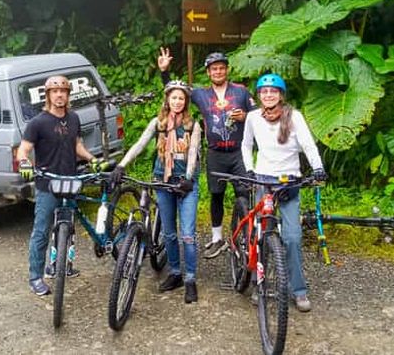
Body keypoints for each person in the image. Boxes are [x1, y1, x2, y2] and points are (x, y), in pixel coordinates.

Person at [109, 80, 202, 303]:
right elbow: (140, 144)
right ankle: (176, 273)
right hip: (162, 181)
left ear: (186, 101)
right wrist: (122, 164)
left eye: (181, 98)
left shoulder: (193, 125)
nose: (177, 102)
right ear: (167, 99)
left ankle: (190, 279)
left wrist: (188, 179)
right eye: (174, 97)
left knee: (187, 236)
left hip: (185, 184)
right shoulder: (158, 123)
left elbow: (193, 154)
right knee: (169, 233)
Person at [157, 48, 255, 259]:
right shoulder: (201, 94)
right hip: (215, 152)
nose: (218, 72)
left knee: (244, 193)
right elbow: (176, 93)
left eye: (221, 68)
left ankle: (246, 239)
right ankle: (217, 238)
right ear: (208, 73)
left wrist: (245, 116)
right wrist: (164, 71)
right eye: (214, 69)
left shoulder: (241, 91)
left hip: (239, 151)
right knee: (216, 195)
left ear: (227, 70)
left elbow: (258, 114)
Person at [241, 73, 327, 313]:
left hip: (289, 182)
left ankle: (298, 290)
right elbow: (246, 145)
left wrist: (318, 167)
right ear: (259, 95)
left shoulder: (294, 117)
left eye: (273, 91)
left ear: (281, 94)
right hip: (263, 181)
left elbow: (308, 145)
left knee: (292, 237)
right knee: (261, 236)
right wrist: (249, 169)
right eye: (264, 91)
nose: (268, 95)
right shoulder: (253, 118)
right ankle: (260, 285)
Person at [17, 75, 104, 297]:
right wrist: (25, 164)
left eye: (63, 91)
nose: (59, 95)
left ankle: (63, 265)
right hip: (47, 183)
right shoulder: (38, 122)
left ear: (68, 95)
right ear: (48, 95)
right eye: (55, 92)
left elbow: (77, 145)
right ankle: (36, 276)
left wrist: (92, 160)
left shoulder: (73, 118)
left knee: (67, 225)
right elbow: (23, 150)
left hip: (71, 180)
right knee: (42, 230)